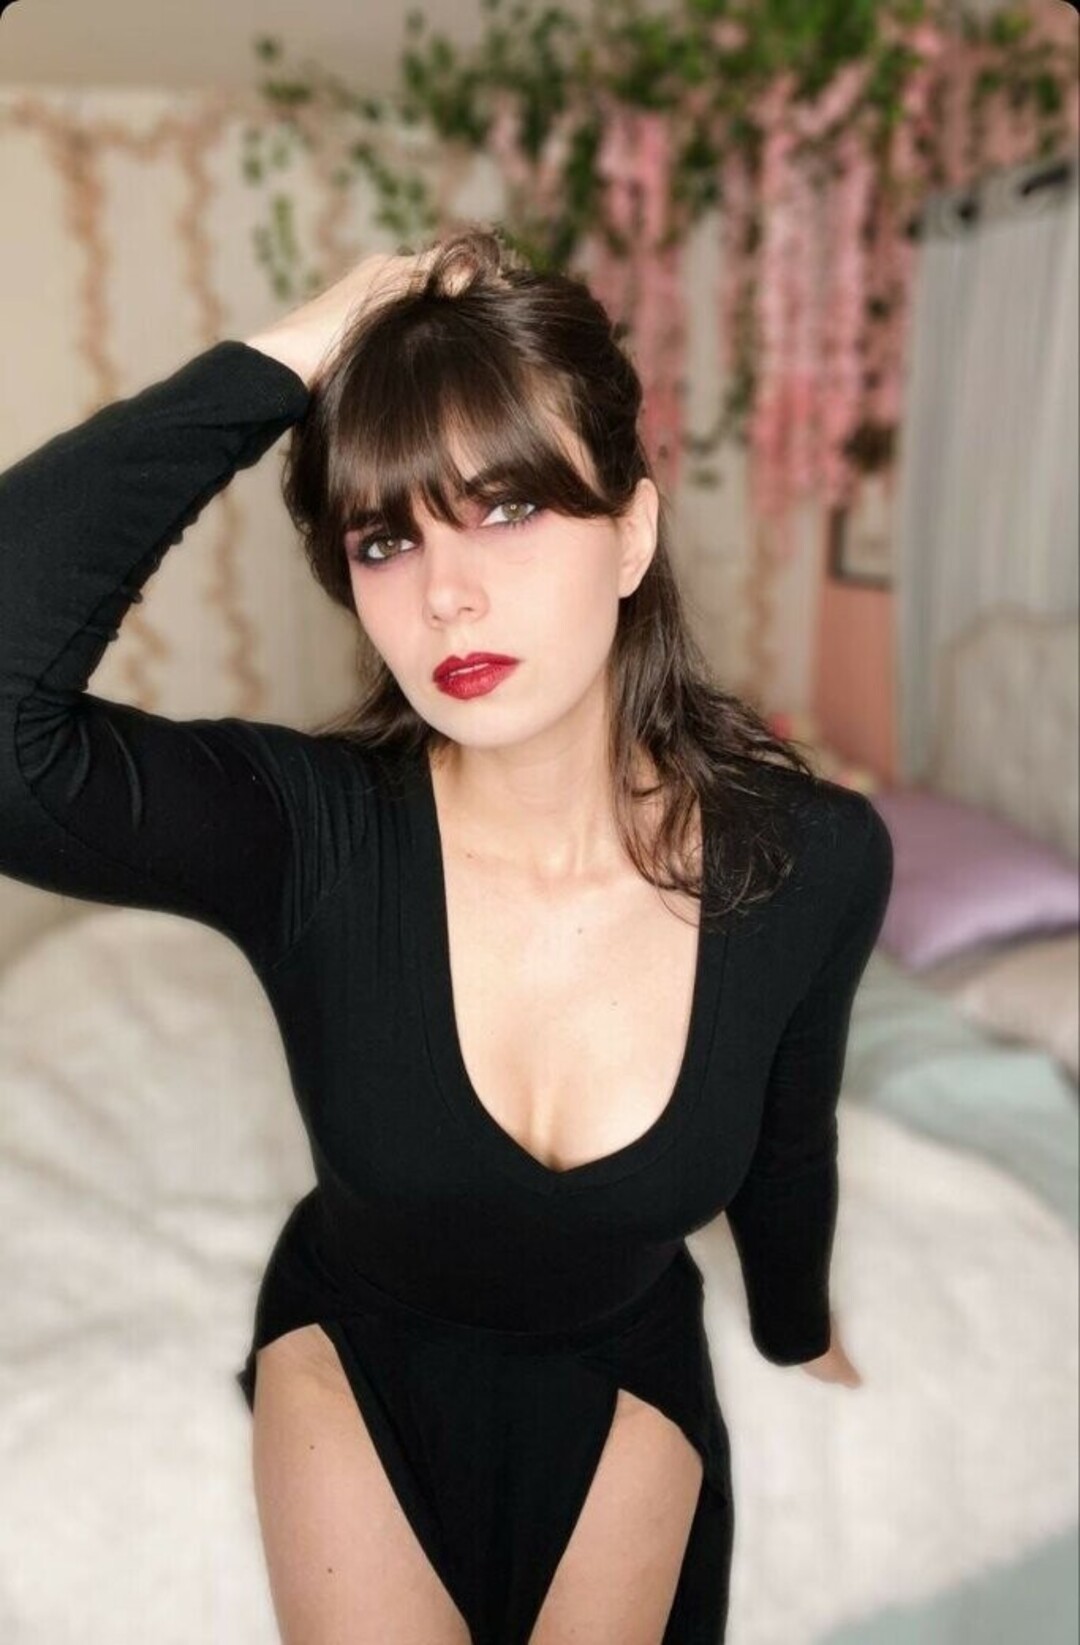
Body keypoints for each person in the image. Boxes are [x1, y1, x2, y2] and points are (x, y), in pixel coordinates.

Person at [0, 222, 893, 1645]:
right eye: (387, 537)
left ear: (633, 534)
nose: (446, 594)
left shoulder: (811, 858)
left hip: (624, 1367)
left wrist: (799, 1330)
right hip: (352, 1357)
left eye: (510, 506)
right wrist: (313, 342)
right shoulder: (307, 834)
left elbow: (789, 1142)